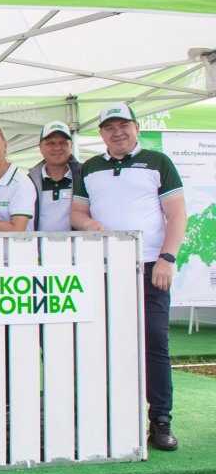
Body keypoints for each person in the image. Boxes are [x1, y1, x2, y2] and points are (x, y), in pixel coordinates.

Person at [70, 103, 186, 451]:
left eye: (123, 125)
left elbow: (177, 214)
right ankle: (110, 418)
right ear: (101, 133)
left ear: (136, 127)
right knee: (104, 343)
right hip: (104, 267)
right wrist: (88, 224)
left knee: (155, 344)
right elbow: (77, 213)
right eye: (109, 127)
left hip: (150, 267)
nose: (117, 132)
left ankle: (160, 421)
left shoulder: (158, 162)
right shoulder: (90, 167)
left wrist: (167, 257)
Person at [29, 121, 82, 231]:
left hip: (77, 242)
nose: (57, 148)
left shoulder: (84, 175)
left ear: (71, 145)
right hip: (38, 242)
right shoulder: (29, 181)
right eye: (51, 144)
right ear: (40, 147)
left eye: (62, 143)